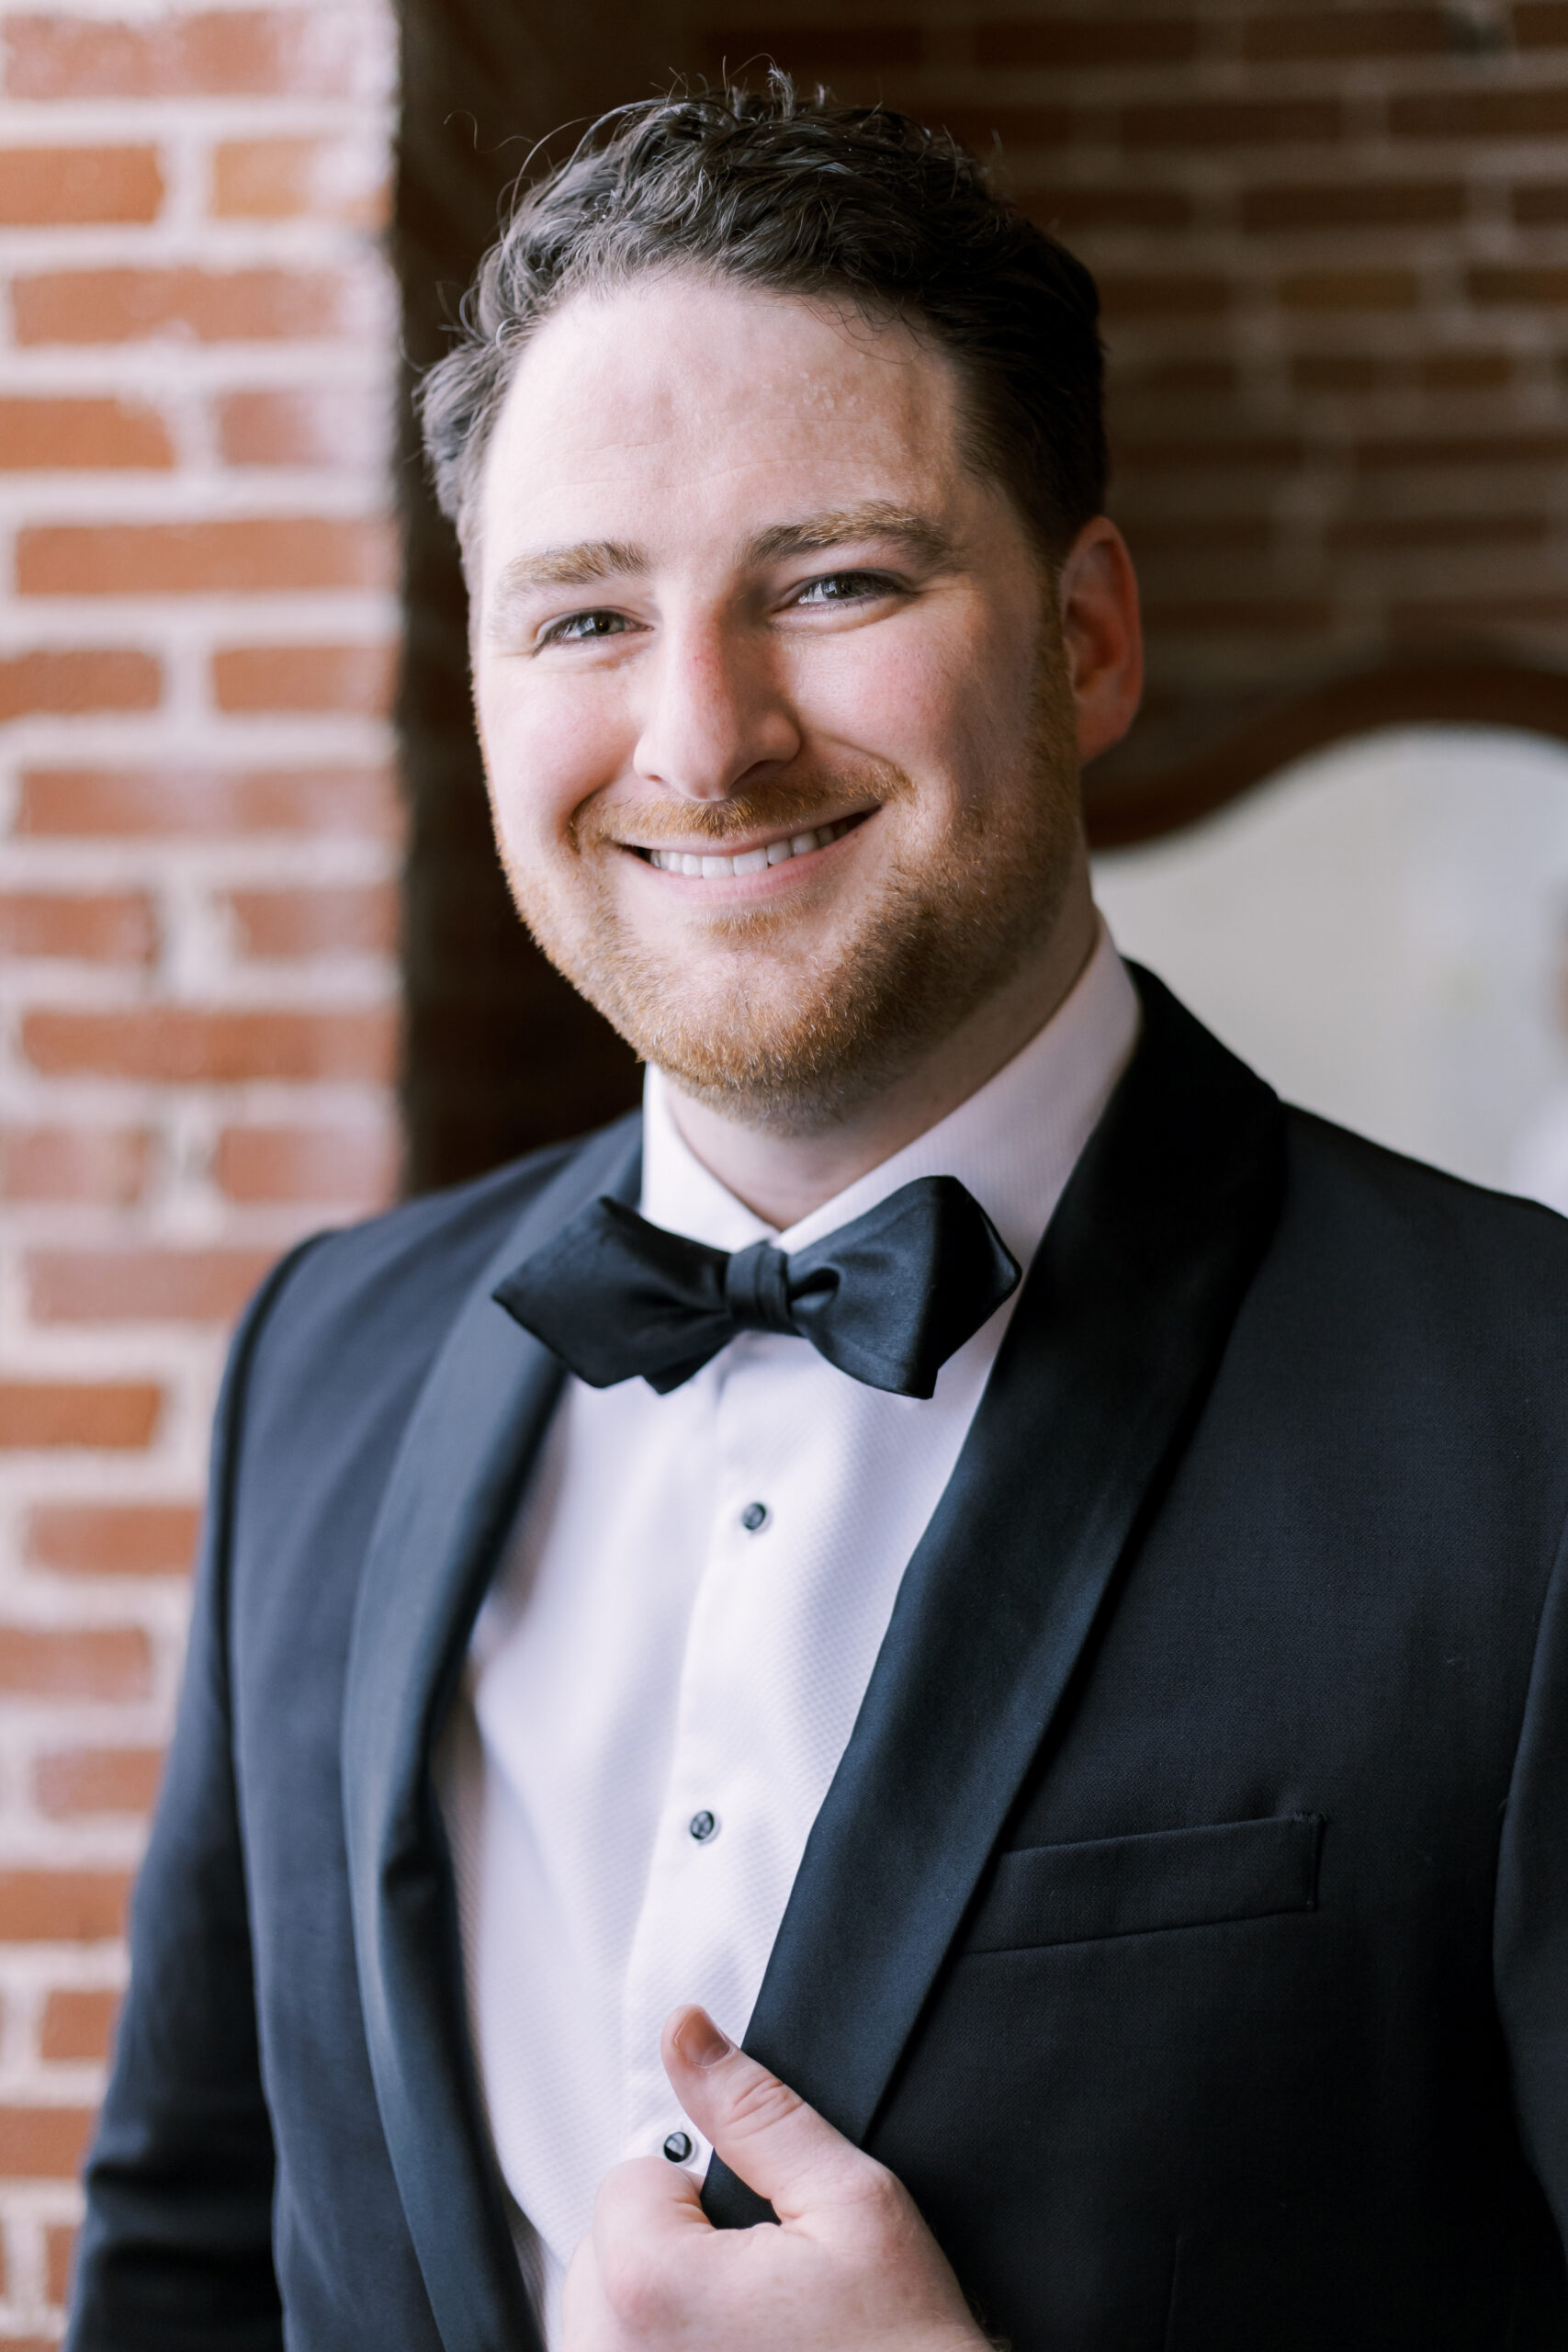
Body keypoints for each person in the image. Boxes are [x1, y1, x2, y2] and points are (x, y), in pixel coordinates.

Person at [65, 81, 1568, 2352]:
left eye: (835, 582)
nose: (700, 738)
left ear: (1084, 637)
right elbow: (191, 2252)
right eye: (582, 614)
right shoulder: (326, 1360)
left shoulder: (1528, 1417)